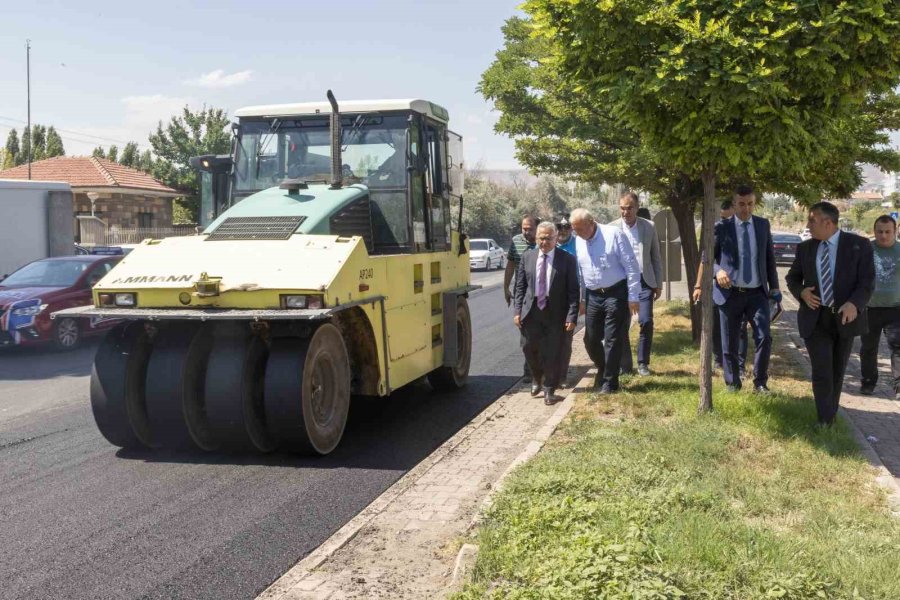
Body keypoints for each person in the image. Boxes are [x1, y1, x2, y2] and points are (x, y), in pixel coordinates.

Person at [786, 201, 874, 426]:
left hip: (845, 317)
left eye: (812, 220)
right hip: (816, 317)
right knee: (822, 369)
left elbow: (867, 282)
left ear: (828, 222)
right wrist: (802, 292)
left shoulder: (859, 245)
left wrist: (855, 304)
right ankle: (824, 421)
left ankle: (830, 416)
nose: (808, 225)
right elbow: (792, 278)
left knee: (837, 371)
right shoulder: (806, 248)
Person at [713, 185, 781, 393]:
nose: (746, 208)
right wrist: (717, 271)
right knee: (730, 341)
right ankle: (733, 383)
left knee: (764, 336)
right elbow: (708, 258)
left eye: (750, 204)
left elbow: (769, 258)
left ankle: (760, 382)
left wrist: (776, 288)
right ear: (734, 204)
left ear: (754, 203)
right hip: (730, 293)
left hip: (757, 293)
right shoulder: (721, 227)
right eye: (741, 204)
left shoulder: (762, 225)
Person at [570, 208, 640, 393]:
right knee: (590, 339)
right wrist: (583, 299)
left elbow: (631, 266)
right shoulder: (578, 241)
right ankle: (605, 367)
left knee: (612, 338)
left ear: (591, 222)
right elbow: (582, 272)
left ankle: (610, 383)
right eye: (575, 230)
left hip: (615, 292)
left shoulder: (613, 234)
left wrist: (633, 296)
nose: (578, 234)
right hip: (593, 295)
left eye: (580, 229)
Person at [514, 222, 580, 405]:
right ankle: (537, 377)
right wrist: (517, 310)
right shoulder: (527, 257)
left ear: (556, 238)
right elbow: (520, 287)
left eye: (549, 238)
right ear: (536, 239)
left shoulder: (567, 259)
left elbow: (574, 291)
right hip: (531, 311)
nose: (545, 242)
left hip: (556, 312)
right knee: (528, 347)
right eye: (541, 238)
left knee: (553, 352)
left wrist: (572, 316)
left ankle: (549, 389)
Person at [693, 199, 748, 371]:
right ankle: (718, 359)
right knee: (717, 326)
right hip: (719, 289)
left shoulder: (746, 232)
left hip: (742, 289)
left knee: (740, 328)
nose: (725, 221)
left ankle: (739, 366)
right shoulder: (718, 229)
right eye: (723, 218)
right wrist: (698, 286)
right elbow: (705, 260)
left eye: (728, 218)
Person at [611, 192, 663, 376]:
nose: (625, 212)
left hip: (644, 281)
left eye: (629, 208)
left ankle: (643, 363)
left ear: (637, 208)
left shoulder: (648, 226)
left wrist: (658, 283)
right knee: (620, 324)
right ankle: (626, 365)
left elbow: (656, 257)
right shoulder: (612, 228)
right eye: (622, 208)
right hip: (621, 283)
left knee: (646, 321)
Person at [859, 215, 900, 398]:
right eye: (879, 232)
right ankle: (868, 382)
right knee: (868, 348)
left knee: (897, 348)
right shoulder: (866, 249)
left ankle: (899, 386)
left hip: (895, 309)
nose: (883, 236)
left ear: (895, 231)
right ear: (874, 231)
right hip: (869, 308)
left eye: (887, 232)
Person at [505, 216, 538, 382]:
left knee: (540, 332)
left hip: (540, 292)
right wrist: (506, 287)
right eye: (523, 228)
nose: (526, 232)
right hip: (521, 292)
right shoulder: (516, 241)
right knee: (525, 331)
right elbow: (510, 264)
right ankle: (529, 369)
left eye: (530, 228)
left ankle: (541, 368)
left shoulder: (543, 242)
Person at [555, 215, 577, 387]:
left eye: (566, 226)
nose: (562, 230)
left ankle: (562, 376)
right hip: (549, 300)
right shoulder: (548, 244)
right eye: (559, 227)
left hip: (571, 297)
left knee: (565, 340)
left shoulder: (579, 244)